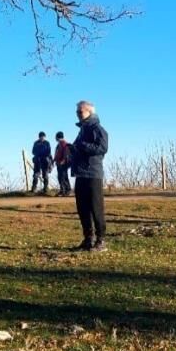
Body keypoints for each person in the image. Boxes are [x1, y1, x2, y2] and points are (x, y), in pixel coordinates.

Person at [72, 101, 109, 251]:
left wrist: (82, 146)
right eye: (77, 112)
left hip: (93, 173)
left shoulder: (97, 129)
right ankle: (88, 238)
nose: (78, 114)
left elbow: (102, 148)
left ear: (89, 112)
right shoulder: (82, 130)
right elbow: (78, 147)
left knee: (96, 208)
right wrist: (72, 149)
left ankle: (101, 240)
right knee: (82, 208)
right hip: (80, 173)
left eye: (80, 112)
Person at [54, 131, 72, 196]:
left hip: (63, 163)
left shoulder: (64, 143)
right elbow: (57, 154)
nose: (55, 138)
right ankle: (62, 190)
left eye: (55, 137)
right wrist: (54, 161)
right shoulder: (59, 144)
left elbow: (66, 153)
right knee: (60, 177)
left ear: (57, 137)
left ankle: (67, 190)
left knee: (64, 176)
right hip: (59, 163)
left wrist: (63, 160)